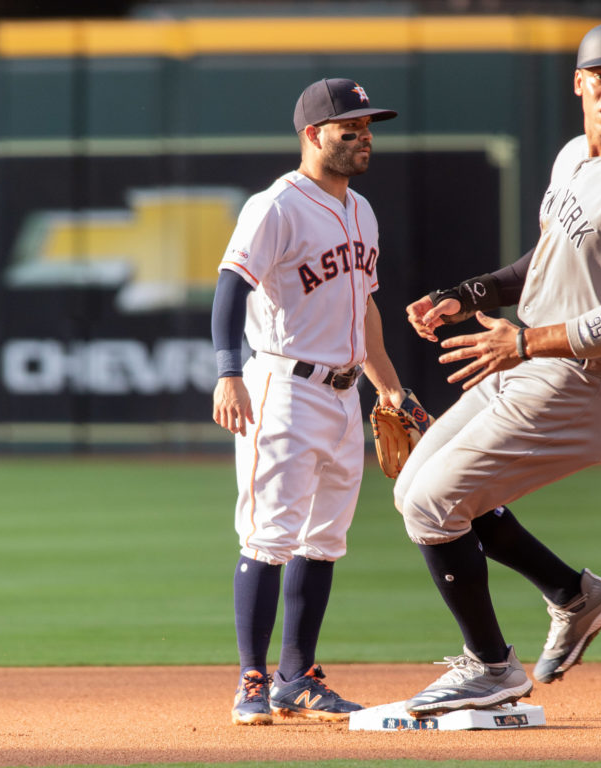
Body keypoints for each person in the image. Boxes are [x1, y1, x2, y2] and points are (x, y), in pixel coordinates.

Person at [395, 22, 601, 716]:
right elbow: (550, 261)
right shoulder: (572, 157)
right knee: (416, 487)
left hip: (583, 386)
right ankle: (575, 594)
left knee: (432, 504)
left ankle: (491, 666)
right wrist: (468, 295)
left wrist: (524, 345)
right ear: (579, 83)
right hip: (536, 358)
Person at [211, 77, 408, 725]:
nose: (363, 136)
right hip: (283, 388)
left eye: (368, 126)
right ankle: (251, 680)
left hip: (345, 393)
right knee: (270, 535)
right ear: (312, 135)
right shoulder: (275, 206)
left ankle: (296, 675)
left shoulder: (362, 210)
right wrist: (227, 372)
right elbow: (230, 285)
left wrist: (390, 386)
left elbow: (365, 306)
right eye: (348, 127)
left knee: (324, 540)